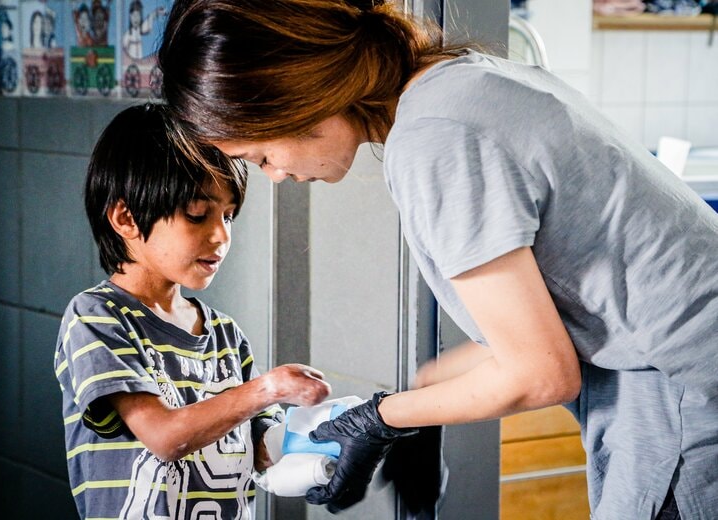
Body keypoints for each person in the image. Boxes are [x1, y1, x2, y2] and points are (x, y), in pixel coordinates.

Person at [157, 0, 718, 518]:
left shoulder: (435, 139)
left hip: (686, 394)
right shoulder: (461, 83)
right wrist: (416, 406)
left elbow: (543, 373)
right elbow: (528, 329)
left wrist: (379, 420)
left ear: (295, 94)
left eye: (260, 155)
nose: (277, 176)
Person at [53, 103, 332, 519]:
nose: (220, 235)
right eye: (197, 215)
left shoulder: (225, 335)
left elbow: (260, 450)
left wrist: (323, 439)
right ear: (126, 217)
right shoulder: (97, 318)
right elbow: (164, 437)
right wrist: (268, 389)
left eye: (229, 216)